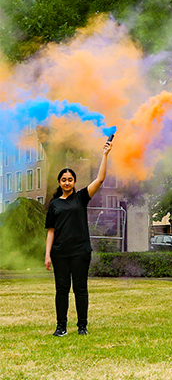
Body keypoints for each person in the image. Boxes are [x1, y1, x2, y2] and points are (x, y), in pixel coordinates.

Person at [44, 138, 113, 336]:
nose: (67, 182)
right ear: (59, 182)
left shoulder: (81, 197)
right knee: (61, 290)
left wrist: (105, 155)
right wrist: (48, 254)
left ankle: (82, 326)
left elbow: (100, 180)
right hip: (60, 254)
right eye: (63, 180)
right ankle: (61, 327)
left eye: (70, 179)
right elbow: (51, 231)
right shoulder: (54, 205)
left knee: (80, 290)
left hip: (80, 252)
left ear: (74, 182)